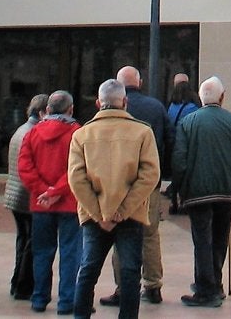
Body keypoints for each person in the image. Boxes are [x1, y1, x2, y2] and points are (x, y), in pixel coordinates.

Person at [68, 78, 161, 319]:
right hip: (130, 215)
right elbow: (150, 175)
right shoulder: (143, 132)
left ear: (98, 103)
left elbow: (76, 178)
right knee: (130, 272)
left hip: (93, 215)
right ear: (125, 102)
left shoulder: (82, 134)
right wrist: (124, 210)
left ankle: (81, 315)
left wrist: (100, 214)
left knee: (88, 270)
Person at [173, 76, 231, 308]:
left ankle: (206, 289)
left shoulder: (188, 122)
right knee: (219, 238)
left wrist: (177, 189)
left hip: (197, 191)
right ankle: (213, 283)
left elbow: (180, 160)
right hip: (226, 191)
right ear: (222, 96)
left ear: (200, 97)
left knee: (202, 240)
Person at [99, 67, 169, 309]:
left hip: (118, 182)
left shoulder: (109, 111)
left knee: (121, 235)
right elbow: (168, 141)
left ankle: (123, 287)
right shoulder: (156, 107)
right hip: (149, 182)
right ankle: (153, 285)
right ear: (139, 82)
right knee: (150, 234)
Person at [18, 90, 82, 315]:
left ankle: (39, 298)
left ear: (47, 110)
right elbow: (78, 169)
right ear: (70, 109)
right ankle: (66, 301)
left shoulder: (33, 134)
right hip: (69, 203)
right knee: (70, 253)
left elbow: (24, 167)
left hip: (41, 204)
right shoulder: (77, 133)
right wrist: (58, 190)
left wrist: (43, 191)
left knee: (42, 252)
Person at [5, 93, 49, 301]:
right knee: (31, 242)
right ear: (42, 112)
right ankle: (23, 285)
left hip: (15, 194)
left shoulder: (21, 130)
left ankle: (17, 281)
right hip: (26, 195)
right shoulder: (33, 133)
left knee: (23, 239)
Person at [164, 79, 200, 215]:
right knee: (187, 174)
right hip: (187, 143)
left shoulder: (172, 106)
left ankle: (174, 200)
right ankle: (185, 201)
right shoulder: (192, 108)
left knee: (176, 174)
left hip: (173, 144)